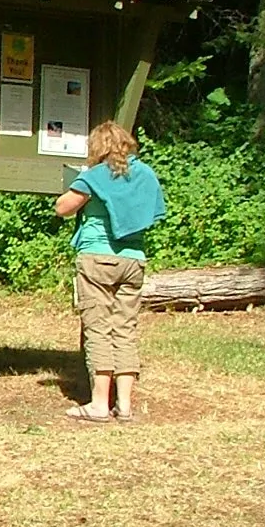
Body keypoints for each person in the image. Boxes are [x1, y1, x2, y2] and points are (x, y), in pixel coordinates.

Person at [53, 120, 165, 423]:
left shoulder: (95, 176)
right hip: (134, 260)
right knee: (125, 329)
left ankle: (99, 404)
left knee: (98, 327)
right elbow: (154, 212)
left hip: (97, 259)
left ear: (97, 147)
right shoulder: (145, 173)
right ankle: (125, 405)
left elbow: (63, 208)